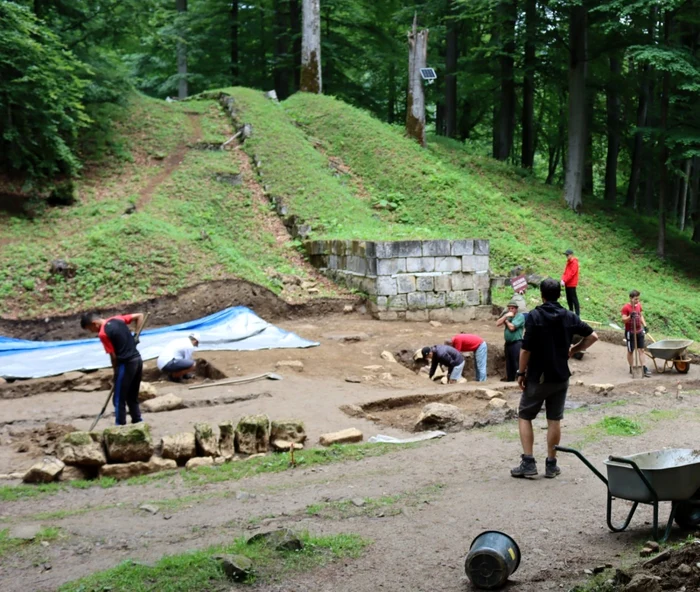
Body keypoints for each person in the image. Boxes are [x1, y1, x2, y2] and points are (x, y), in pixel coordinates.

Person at [511, 278, 598, 479]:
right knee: (554, 419)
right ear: (559, 294)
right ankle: (551, 464)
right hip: (560, 376)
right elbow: (593, 336)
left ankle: (528, 462)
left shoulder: (534, 316)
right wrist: (574, 349)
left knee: (525, 415)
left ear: (542, 294)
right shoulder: (569, 316)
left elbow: (525, 350)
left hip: (538, 376)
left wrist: (520, 373)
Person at [80, 312, 145, 426]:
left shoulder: (103, 333)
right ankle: (137, 421)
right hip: (137, 360)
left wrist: (116, 373)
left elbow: (113, 356)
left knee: (118, 398)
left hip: (126, 364)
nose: (92, 332)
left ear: (94, 324)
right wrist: (136, 335)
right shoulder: (117, 319)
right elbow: (140, 316)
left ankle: (120, 426)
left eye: (90, 329)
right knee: (132, 396)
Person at [621, 290, 651, 378]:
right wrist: (630, 316)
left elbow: (641, 315)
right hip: (630, 332)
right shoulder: (626, 308)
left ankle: (643, 367)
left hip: (639, 331)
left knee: (641, 350)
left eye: (638, 299)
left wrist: (644, 325)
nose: (637, 301)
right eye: (635, 299)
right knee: (630, 351)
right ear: (631, 298)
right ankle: (632, 367)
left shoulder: (638, 306)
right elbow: (623, 319)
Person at [496, 300, 525, 382]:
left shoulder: (520, 316)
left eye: (512, 308)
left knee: (516, 361)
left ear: (516, 309)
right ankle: (510, 378)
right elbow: (497, 323)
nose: (510, 310)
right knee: (508, 362)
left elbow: (512, 328)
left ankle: (517, 378)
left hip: (516, 342)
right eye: (509, 308)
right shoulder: (507, 316)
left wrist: (507, 321)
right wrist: (505, 317)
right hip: (508, 343)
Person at [561, 249, 580, 317]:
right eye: (566, 255)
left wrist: (565, 280)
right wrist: (563, 279)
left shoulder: (574, 263)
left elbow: (571, 274)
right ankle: (571, 313)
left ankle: (577, 315)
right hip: (567, 283)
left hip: (572, 284)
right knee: (569, 299)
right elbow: (566, 272)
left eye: (567, 255)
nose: (566, 256)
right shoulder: (568, 262)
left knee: (574, 299)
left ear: (571, 255)